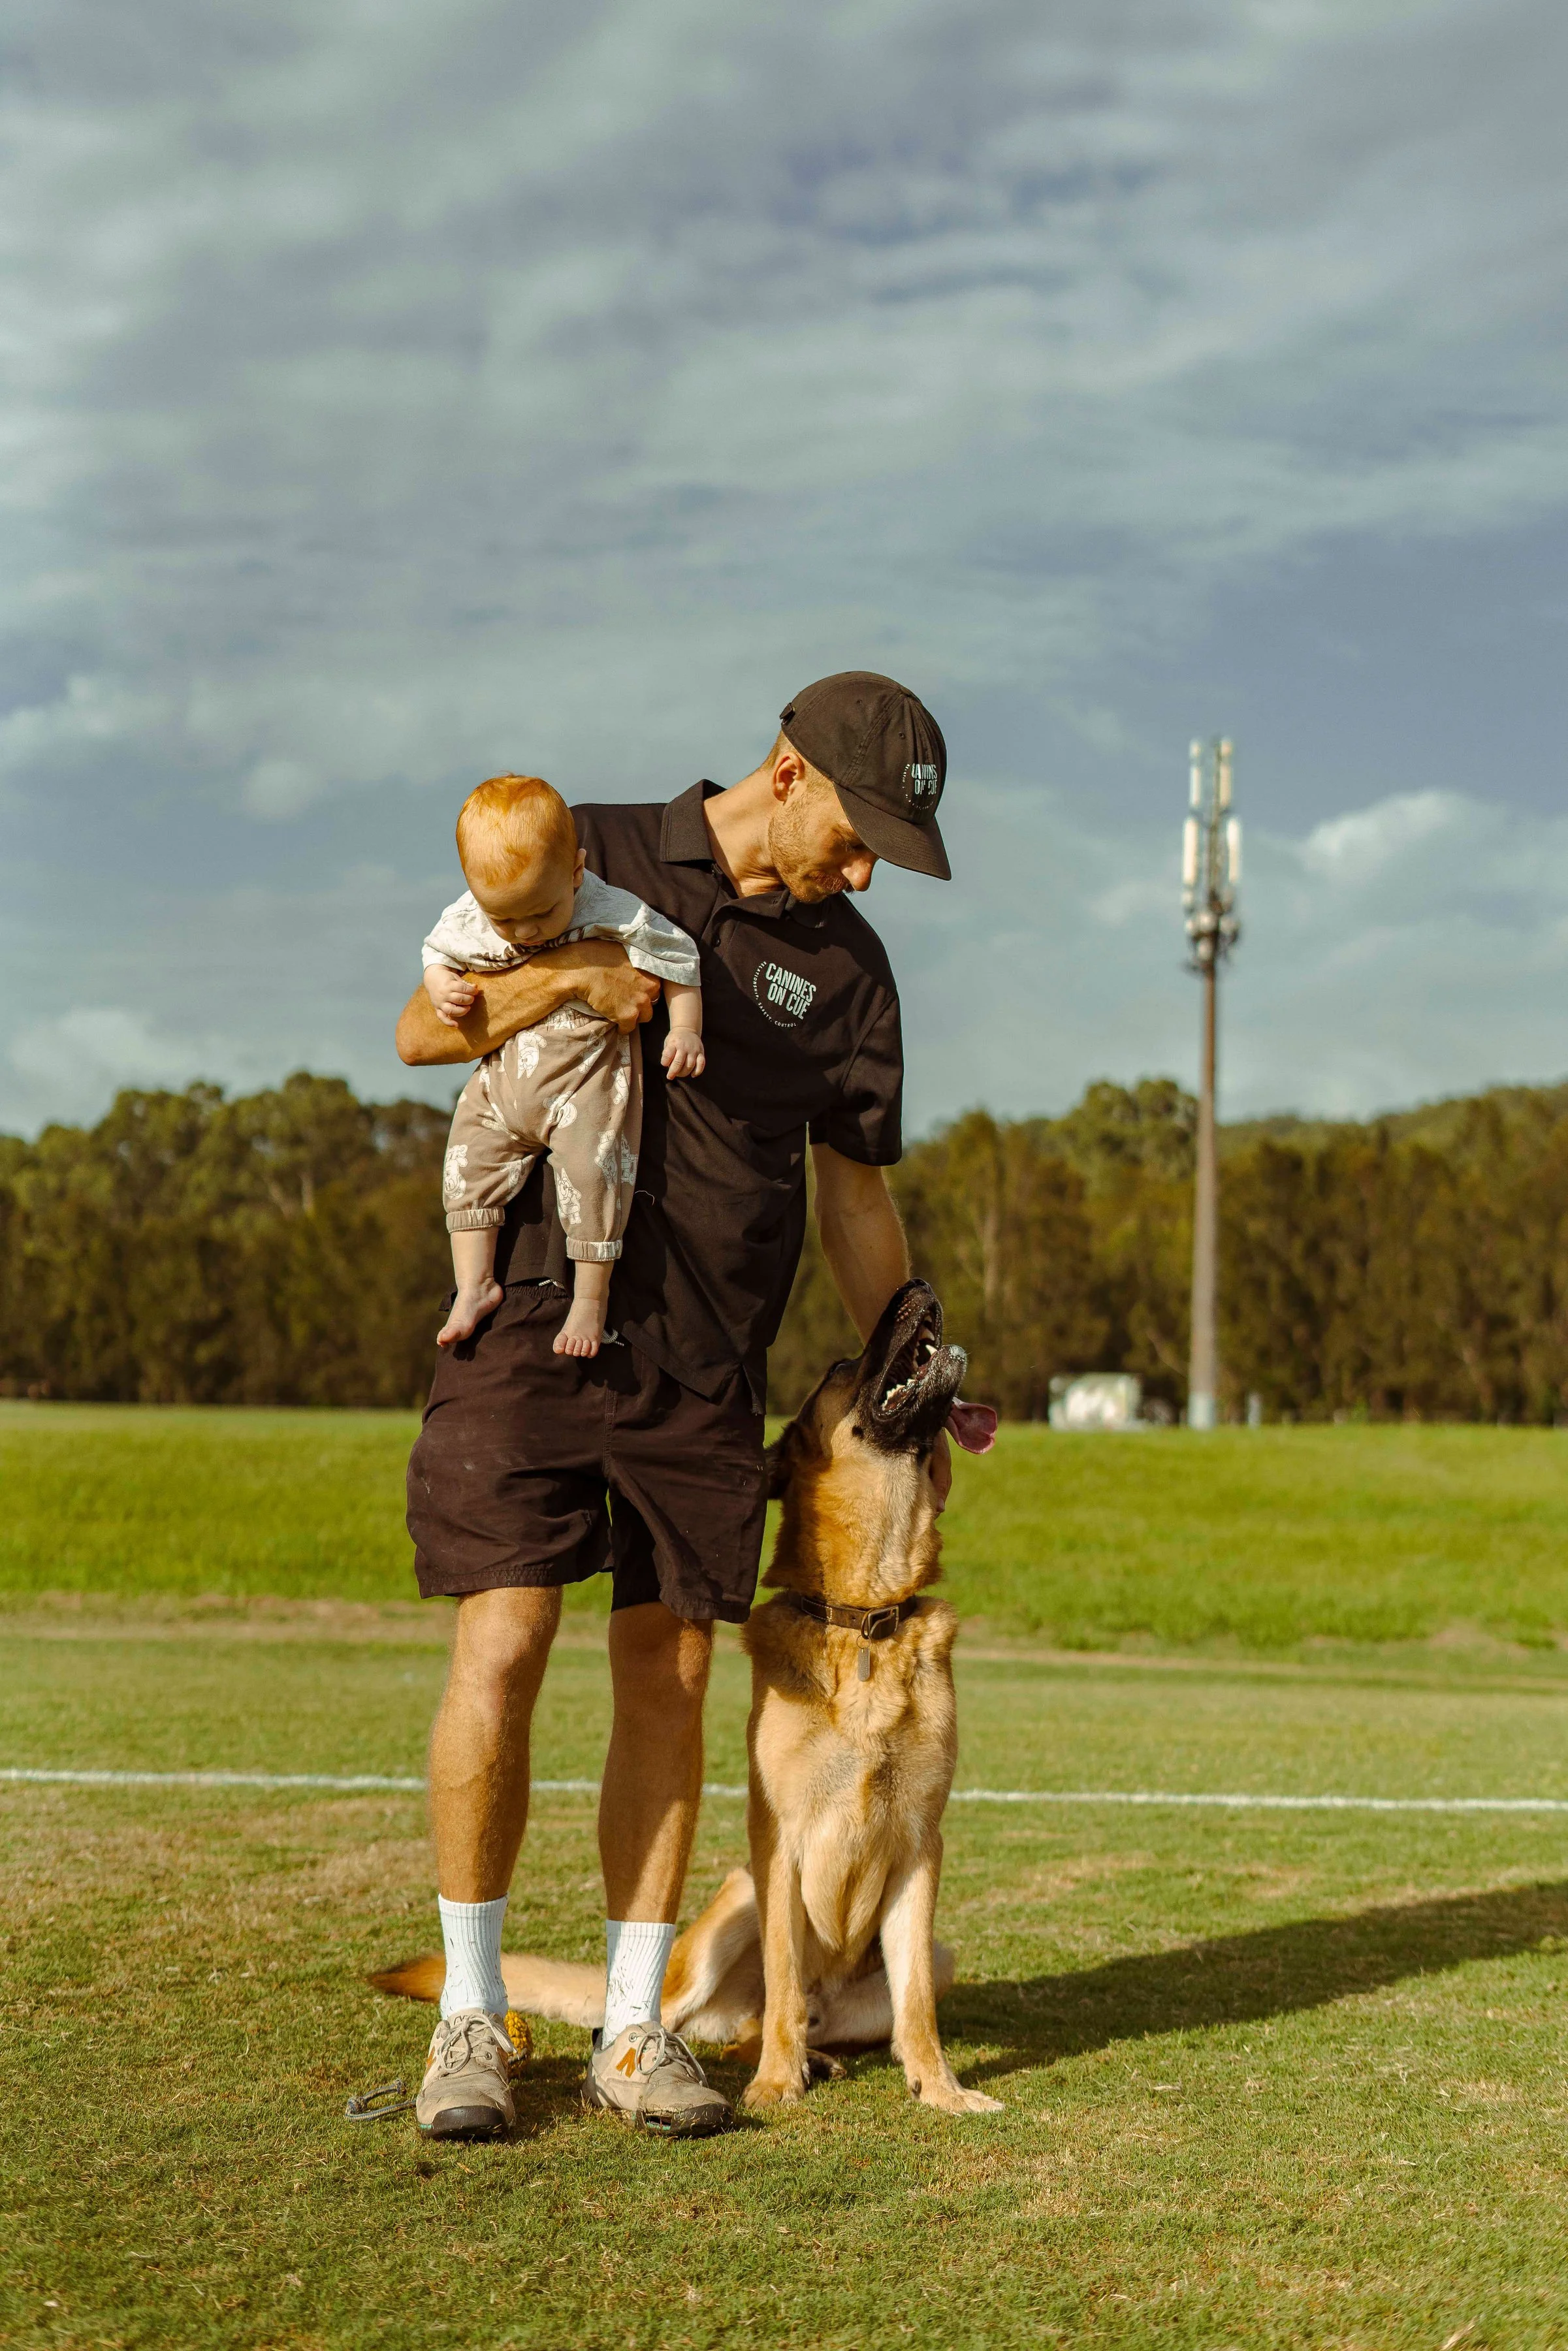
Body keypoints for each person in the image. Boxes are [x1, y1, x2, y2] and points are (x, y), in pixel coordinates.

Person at [395, 670, 952, 2141]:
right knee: (503, 1638)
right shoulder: (588, 849)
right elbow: (424, 1025)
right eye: (859, 828)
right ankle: (470, 2017)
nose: (867, 863)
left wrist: (911, 1343)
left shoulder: (852, 973)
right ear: (788, 772)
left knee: (674, 1674)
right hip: (529, 1325)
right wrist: (576, 978)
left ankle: (635, 2033)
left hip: (710, 1368)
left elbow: (853, 1191)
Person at [421, 773, 704, 1358]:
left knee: (595, 1178)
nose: (524, 934)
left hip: (584, 1082)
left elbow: (678, 956)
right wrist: (441, 982)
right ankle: (474, 1286)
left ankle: (589, 1303)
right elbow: (436, 951)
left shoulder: (612, 908)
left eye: (542, 914)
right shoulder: (472, 913)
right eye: (506, 922)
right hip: (503, 1083)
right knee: (465, 1163)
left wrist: (685, 1029)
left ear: (576, 871)